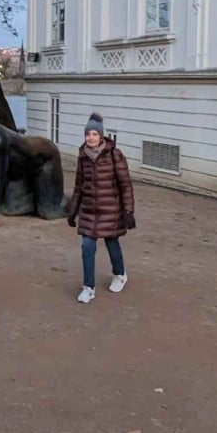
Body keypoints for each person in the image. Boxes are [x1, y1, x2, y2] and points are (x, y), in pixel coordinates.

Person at [66, 113, 134, 303]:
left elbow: (125, 184)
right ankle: (88, 287)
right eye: (88, 135)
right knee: (87, 246)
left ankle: (120, 274)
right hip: (89, 211)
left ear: (102, 136)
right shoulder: (83, 157)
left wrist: (128, 211)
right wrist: (73, 211)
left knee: (112, 243)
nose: (91, 138)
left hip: (110, 209)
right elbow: (79, 186)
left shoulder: (114, 155)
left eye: (95, 134)